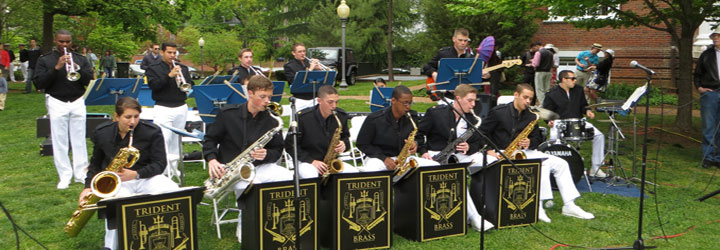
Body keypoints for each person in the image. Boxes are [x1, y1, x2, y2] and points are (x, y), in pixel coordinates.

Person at [480, 84, 594, 223]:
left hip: (524, 152)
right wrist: (489, 150)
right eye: (525, 97)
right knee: (542, 166)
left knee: (561, 163)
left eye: (530, 99)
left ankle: (570, 205)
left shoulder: (531, 116)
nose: (528, 101)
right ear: (516, 95)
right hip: (502, 152)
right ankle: (538, 207)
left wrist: (529, 142)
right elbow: (481, 133)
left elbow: (537, 138)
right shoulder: (498, 112)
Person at [78, 97, 179, 250]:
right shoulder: (102, 133)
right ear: (116, 117)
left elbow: (160, 164)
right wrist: (87, 187)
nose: (132, 122)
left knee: (171, 189)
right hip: (117, 183)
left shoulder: (152, 131)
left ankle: (170, 239)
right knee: (116, 203)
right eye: (127, 117)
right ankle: (110, 246)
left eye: (136, 117)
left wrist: (136, 174)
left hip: (146, 178)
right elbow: (95, 164)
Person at [203, 75, 293, 243]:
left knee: (287, 177)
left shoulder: (272, 120)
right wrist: (212, 160)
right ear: (250, 93)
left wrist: (267, 154)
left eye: (269, 97)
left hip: (258, 166)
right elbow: (210, 140)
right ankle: (245, 224)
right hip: (231, 170)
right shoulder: (227, 114)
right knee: (252, 186)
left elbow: (277, 149)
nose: (267, 101)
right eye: (262, 97)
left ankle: (276, 221)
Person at [417, 84, 494, 231]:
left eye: (474, 101)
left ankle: (490, 208)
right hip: (436, 155)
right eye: (470, 100)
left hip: (461, 155)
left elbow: (479, 141)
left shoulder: (472, 117)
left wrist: (469, 147)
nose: (473, 105)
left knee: (491, 162)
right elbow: (419, 135)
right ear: (458, 98)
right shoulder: (436, 113)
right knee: (457, 175)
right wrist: (423, 151)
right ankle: (475, 218)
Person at [33, 29, 93, 189]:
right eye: (61, 42)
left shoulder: (80, 58)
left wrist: (77, 68)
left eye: (67, 42)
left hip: (77, 100)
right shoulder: (45, 60)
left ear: (71, 42)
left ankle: (81, 174)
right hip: (56, 100)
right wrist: (56, 68)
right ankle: (65, 176)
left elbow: (90, 80)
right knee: (60, 141)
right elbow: (39, 83)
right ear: (55, 41)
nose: (64, 45)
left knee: (79, 139)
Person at [357, 85, 438, 171]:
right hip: (377, 158)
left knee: (434, 165)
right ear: (393, 100)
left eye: (410, 103)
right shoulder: (375, 119)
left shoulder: (411, 117)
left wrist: (415, 144)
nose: (408, 107)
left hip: (403, 159)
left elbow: (418, 138)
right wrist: (384, 158)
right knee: (372, 169)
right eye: (405, 103)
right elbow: (362, 144)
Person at [285, 85, 360, 178]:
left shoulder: (341, 115)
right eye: (330, 102)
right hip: (307, 162)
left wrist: (344, 144)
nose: (334, 106)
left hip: (331, 162)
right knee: (311, 174)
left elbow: (345, 137)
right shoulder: (303, 117)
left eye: (336, 102)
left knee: (354, 173)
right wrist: (312, 161)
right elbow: (290, 144)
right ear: (319, 101)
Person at [543, 70, 607, 178]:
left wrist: (587, 111)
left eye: (575, 78)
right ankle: (553, 168)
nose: (575, 81)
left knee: (599, 136)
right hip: (560, 122)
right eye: (572, 79)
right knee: (554, 140)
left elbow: (583, 105)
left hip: (578, 121)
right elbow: (547, 111)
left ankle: (596, 168)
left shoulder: (579, 90)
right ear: (564, 79)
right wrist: (549, 121)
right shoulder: (551, 93)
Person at [145, 42, 195, 179]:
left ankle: (174, 169)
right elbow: (154, 86)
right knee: (163, 139)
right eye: (169, 52)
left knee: (175, 140)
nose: (172, 55)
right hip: (163, 107)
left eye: (174, 53)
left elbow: (190, 84)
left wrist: (184, 81)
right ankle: (162, 169)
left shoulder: (182, 68)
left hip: (180, 106)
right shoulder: (153, 68)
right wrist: (169, 76)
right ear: (162, 52)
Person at [693, 28, 720, 169]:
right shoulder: (706, 55)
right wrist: (700, 88)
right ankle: (708, 157)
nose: (715, 38)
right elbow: (697, 74)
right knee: (709, 126)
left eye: (718, 36)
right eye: (714, 36)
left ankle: (718, 158)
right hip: (710, 93)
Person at [423, 28, 474, 101]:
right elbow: (427, 67)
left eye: (465, 40)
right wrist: (434, 73)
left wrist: (486, 75)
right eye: (460, 40)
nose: (463, 43)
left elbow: (475, 79)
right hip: (445, 96)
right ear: (454, 39)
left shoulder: (471, 58)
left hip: (464, 96)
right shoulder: (444, 54)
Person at [283, 43, 324, 111]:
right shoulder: (289, 66)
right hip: (300, 99)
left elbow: (320, 80)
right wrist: (310, 69)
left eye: (304, 51)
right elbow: (293, 81)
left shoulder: (309, 62)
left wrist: (319, 69)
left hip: (314, 97)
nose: (303, 53)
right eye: (300, 51)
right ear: (293, 53)